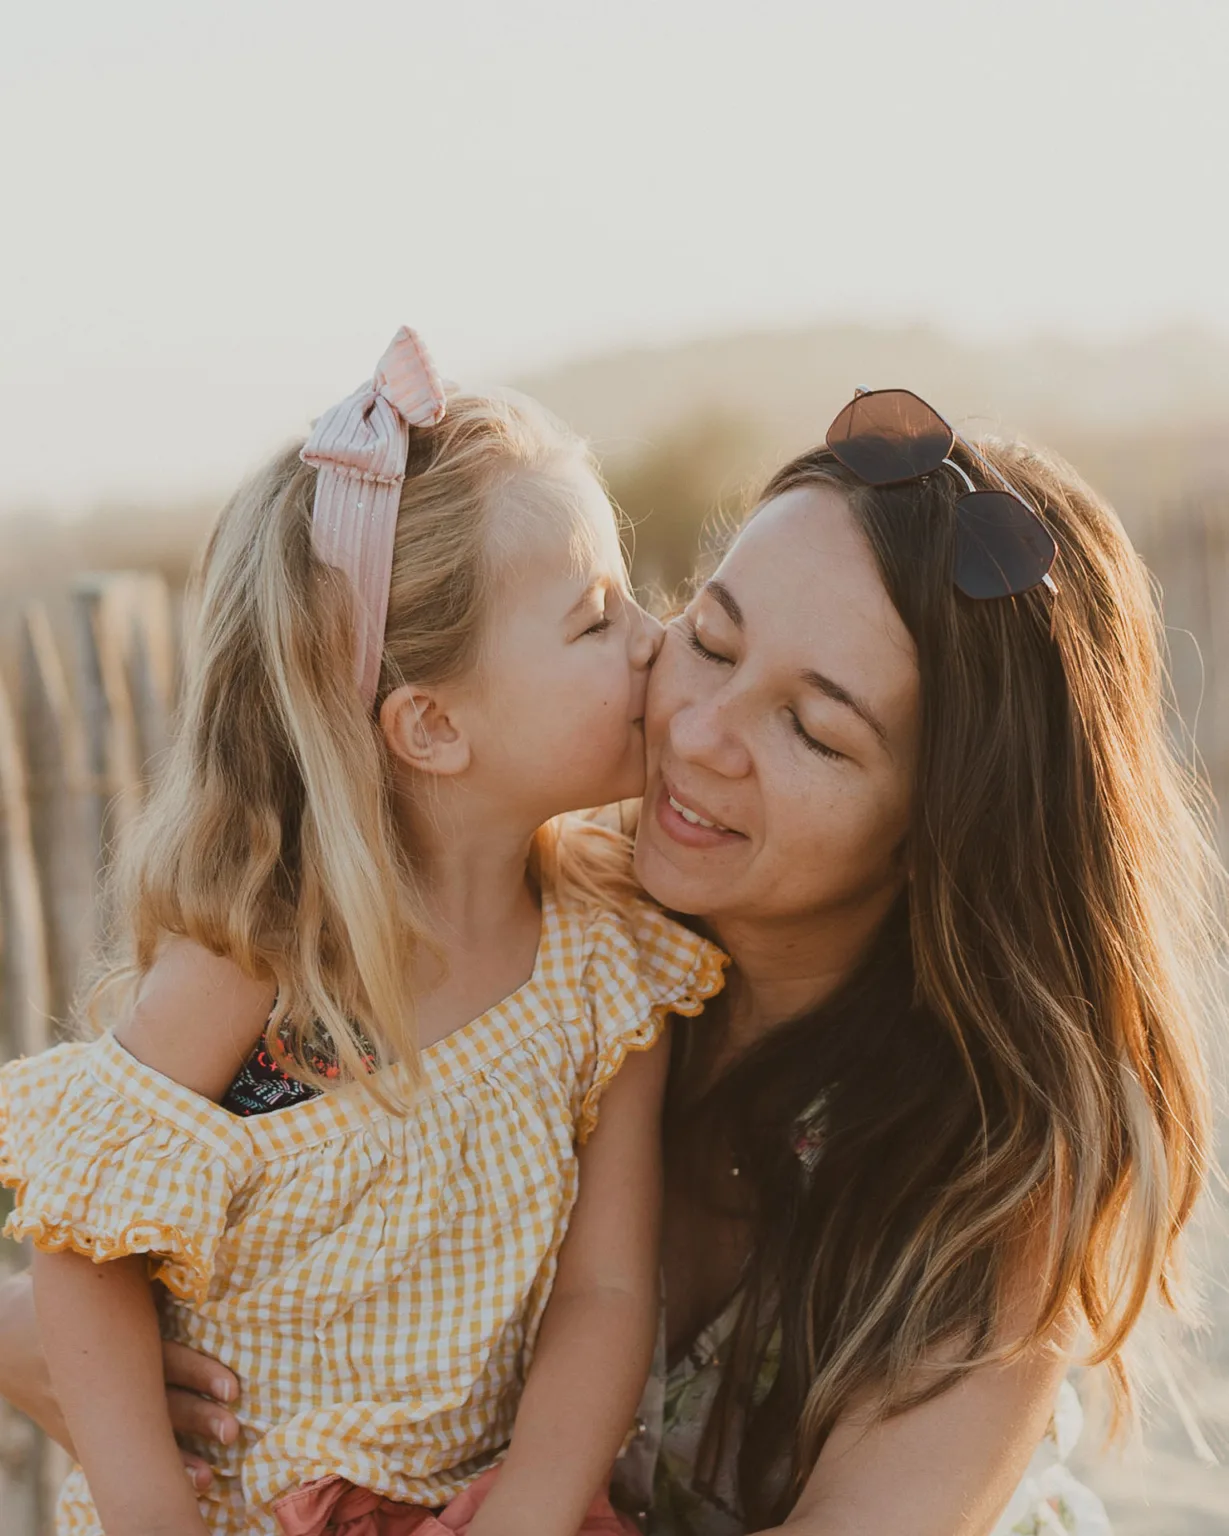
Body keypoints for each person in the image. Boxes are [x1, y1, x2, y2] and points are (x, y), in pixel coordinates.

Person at [0, 389, 1218, 1535]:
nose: (692, 728)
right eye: (710, 635)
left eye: (809, 728)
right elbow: (101, 1230)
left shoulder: (993, 1169)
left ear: (943, 830)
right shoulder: (519, 928)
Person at [0, 328, 727, 1536]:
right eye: (597, 618)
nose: (656, 640)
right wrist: (146, 1511)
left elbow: (603, 1292)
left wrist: (525, 1518)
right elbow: (84, 1248)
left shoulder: (608, 963)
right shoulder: (264, 960)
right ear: (432, 727)